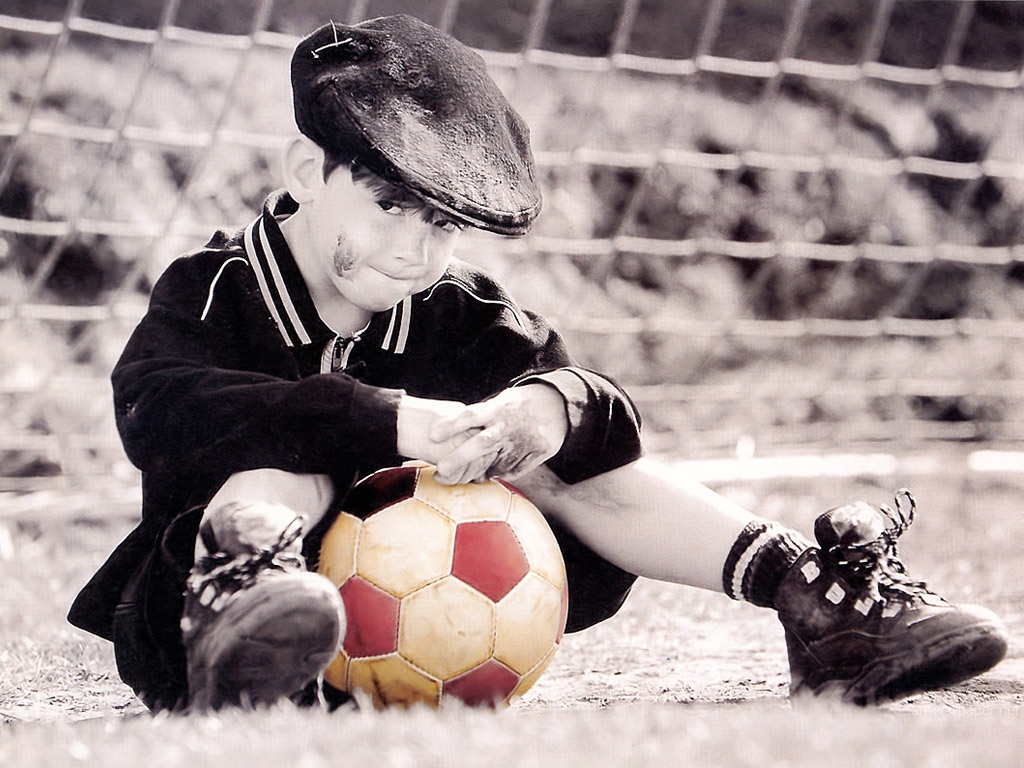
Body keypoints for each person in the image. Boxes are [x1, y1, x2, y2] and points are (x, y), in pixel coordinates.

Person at [68, 15, 1008, 712]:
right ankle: (252, 614)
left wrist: (547, 410)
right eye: (389, 204)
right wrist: (386, 420)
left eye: (443, 224)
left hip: (416, 633)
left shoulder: (458, 312)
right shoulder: (214, 289)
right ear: (307, 172)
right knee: (304, 444)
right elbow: (156, 408)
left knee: (543, 452)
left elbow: (601, 417)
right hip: (187, 627)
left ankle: (817, 601)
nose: (414, 249)